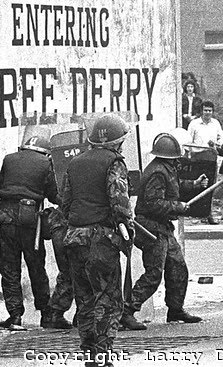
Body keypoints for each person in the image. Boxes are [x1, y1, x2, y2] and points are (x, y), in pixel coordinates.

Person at [62, 114, 134, 367]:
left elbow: (66, 202)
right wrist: (128, 230)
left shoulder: (75, 162)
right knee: (108, 299)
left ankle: (90, 354)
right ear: (116, 141)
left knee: (85, 300)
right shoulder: (115, 162)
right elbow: (119, 201)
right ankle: (103, 355)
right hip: (100, 239)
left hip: (74, 237)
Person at [120, 133, 205, 331]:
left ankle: (175, 309)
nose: (178, 160)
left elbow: (173, 187)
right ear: (169, 156)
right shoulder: (157, 172)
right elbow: (152, 204)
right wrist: (178, 207)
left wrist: (193, 185)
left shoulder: (165, 168)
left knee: (178, 267)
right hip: (152, 228)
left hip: (163, 227)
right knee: (154, 274)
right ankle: (127, 311)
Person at [0, 134, 60, 329]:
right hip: (31, 220)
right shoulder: (46, 164)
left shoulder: (9, 159)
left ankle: (14, 315)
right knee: (36, 266)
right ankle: (45, 314)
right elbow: (53, 194)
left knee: (9, 267)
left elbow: (0, 188)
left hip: (6, 218)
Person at [186, 101, 223, 225]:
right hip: (197, 158)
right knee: (199, 185)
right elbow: (188, 141)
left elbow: (221, 138)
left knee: (210, 187)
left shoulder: (216, 123)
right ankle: (197, 213)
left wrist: (216, 144)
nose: (207, 113)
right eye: (205, 110)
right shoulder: (194, 123)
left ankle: (208, 214)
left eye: (210, 110)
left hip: (211, 157)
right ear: (201, 111)